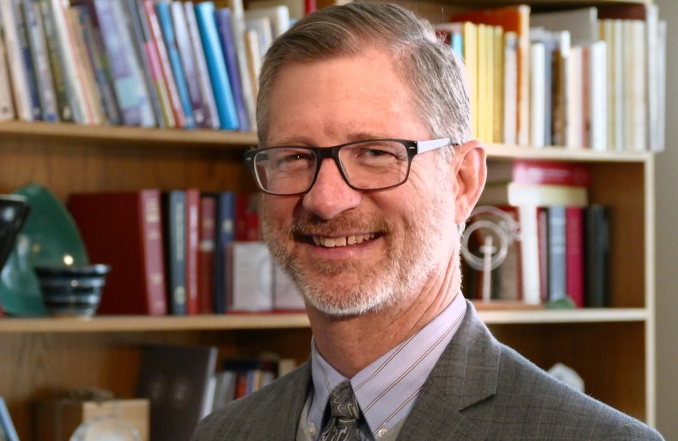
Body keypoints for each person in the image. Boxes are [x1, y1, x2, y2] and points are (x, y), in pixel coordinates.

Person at [191, 2, 664, 440]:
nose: (326, 200)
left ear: (462, 181)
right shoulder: (222, 434)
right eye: (294, 156)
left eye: (375, 153)